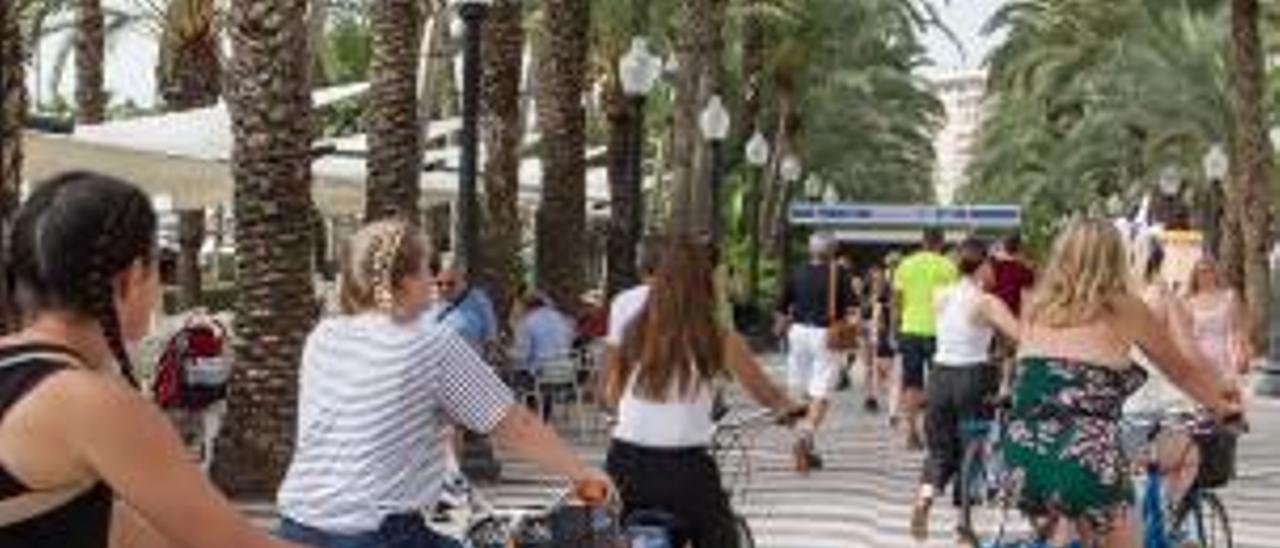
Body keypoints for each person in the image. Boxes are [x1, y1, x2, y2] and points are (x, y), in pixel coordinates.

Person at [0, 171, 296, 548]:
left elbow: (118, 529)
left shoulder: (19, 371)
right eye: (160, 266)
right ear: (132, 276)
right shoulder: (89, 402)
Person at [276, 219, 610, 548]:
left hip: (300, 521)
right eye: (426, 269)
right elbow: (513, 426)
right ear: (404, 281)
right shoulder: (429, 341)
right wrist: (586, 475)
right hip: (380, 530)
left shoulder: (324, 336)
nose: (434, 280)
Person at [1000, 220, 1241, 548]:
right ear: (1115, 258)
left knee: (1065, 523)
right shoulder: (1125, 308)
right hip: (1087, 456)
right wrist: (1223, 406)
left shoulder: (1037, 307)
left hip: (1020, 454)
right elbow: (1182, 371)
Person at [602, 237, 800, 548]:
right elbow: (766, 394)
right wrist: (788, 409)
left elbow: (611, 391)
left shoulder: (633, 330)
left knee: (613, 536)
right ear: (704, 284)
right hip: (686, 471)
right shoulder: (717, 337)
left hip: (624, 462)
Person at [909, 239, 1020, 542]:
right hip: (974, 378)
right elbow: (1020, 336)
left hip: (940, 376)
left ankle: (924, 498)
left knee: (940, 449)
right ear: (982, 265)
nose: (994, 272)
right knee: (973, 448)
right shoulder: (987, 301)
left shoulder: (940, 295)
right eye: (992, 266)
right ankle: (964, 528)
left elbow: (955, 331)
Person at [774, 232, 857, 471]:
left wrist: (781, 329)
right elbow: (852, 308)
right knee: (821, 393)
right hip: (826, 335)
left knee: (801, 391)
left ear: (811, 251)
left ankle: (806, 443)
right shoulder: (839, 274)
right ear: (833, 252)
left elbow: (781, 307)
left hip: (798, 332)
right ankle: (805, 437)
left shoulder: (796, 272)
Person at [892, 227, 959, 449]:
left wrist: (895, 327)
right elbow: (954, 301)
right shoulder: (949, 267)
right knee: (938, 383)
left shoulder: (905, 265)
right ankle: (934, 430)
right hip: (939, 332)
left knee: (911, 383)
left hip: (910, 330)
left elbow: (897, 301)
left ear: (922, 242)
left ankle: (912, 432)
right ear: (941, 243)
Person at [512, 290, 578, 419]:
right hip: (566, 374)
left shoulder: (526, 322)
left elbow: (521, 356)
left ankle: (528, 418)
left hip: (542, 376)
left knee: (514, 375)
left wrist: (508, 354)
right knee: (541, 377)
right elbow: (569, 343)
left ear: (526, 306)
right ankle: (544, 417)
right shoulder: (562, 318)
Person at [1185, 258, 1251, 381]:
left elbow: (1238, 328)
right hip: (1201, 357)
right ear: (1195, 276)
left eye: (1208, 271)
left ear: (1215, 273)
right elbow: (1187, 335)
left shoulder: (1229, 296)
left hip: (1227, 354)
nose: (1205, 275)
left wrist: (1242, 351)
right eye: (1200, 272)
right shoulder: (1189, 302)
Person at [428, 265, 499, 352]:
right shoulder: (428, 302)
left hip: (470, 360)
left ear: (463, 283)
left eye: (451, 284)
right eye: (439, 284)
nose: (444, 288)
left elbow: (490, 338)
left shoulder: (478, 300)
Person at [990, 234, 1036, 316]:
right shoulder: (1024, 271)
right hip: (1010, 317)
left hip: (991, 315)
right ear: (1019, 251)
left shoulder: (992, 266)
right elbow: (1027, 300)